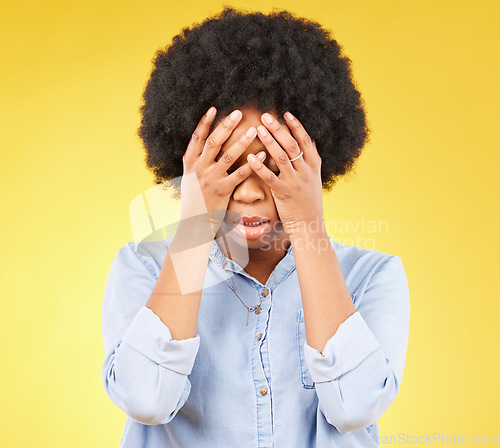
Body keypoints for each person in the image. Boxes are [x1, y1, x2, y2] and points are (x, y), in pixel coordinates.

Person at [101, 6, 410, 448]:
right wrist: (194, 224)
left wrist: (307, 223)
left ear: (315, 160)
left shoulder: (372, 277)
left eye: (275, 164)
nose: (248, 192)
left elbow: (355, 407)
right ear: (192, 164)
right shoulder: (142, 269)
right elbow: (145, 399)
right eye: (227, 165)